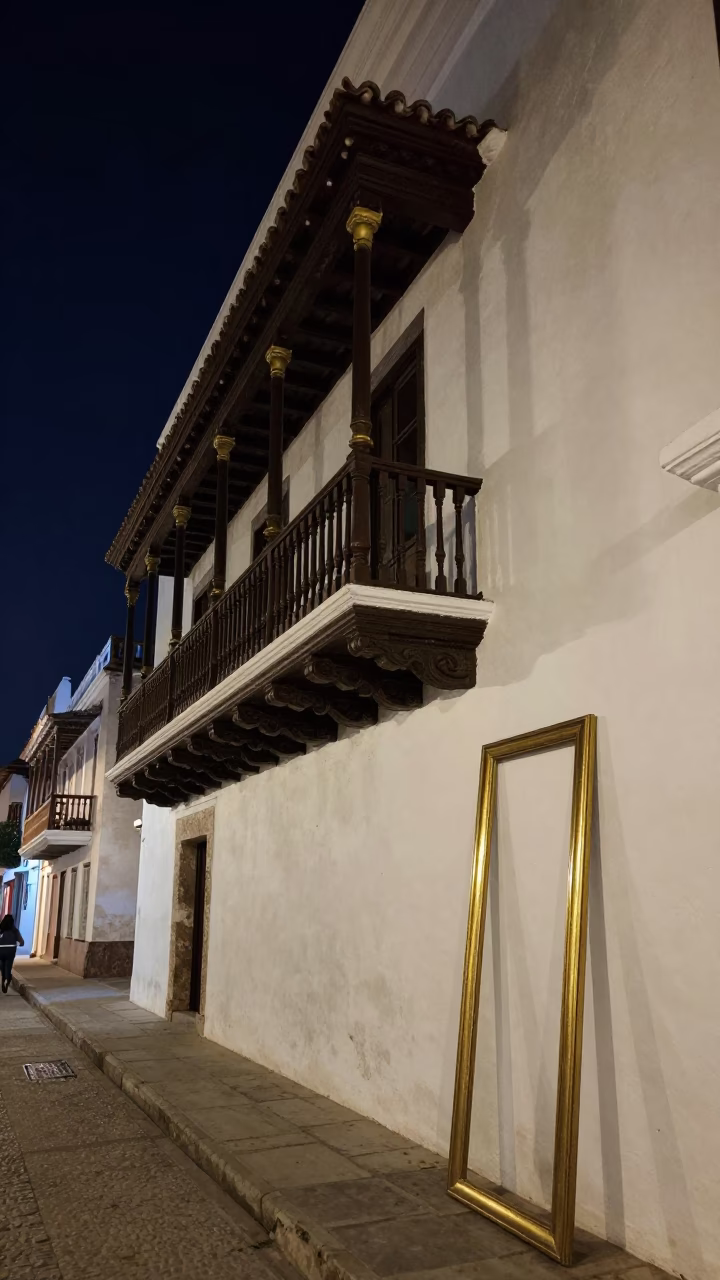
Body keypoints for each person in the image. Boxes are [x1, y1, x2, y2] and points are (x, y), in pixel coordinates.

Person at [0, 913, 24, 993]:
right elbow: (22, 942)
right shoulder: (15, 931)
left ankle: (3, 980)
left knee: (2, 966)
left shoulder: (0, 929)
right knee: (8, 966)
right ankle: (8, 979)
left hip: (0, 951)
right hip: (11, 951)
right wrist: (18, 943)